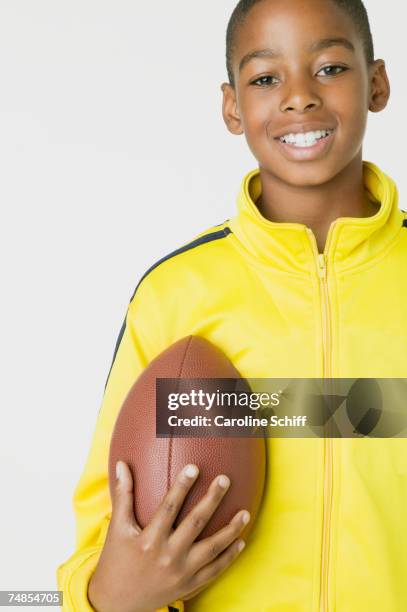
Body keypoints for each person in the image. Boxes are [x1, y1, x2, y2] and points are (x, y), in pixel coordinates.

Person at [57, 0, 407, 610]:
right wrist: (114, 594)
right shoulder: (177, 293)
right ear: (231, 106)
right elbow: (100, 538)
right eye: (266, 78)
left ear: (376, 82)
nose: (299, 97)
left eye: (329, 68)